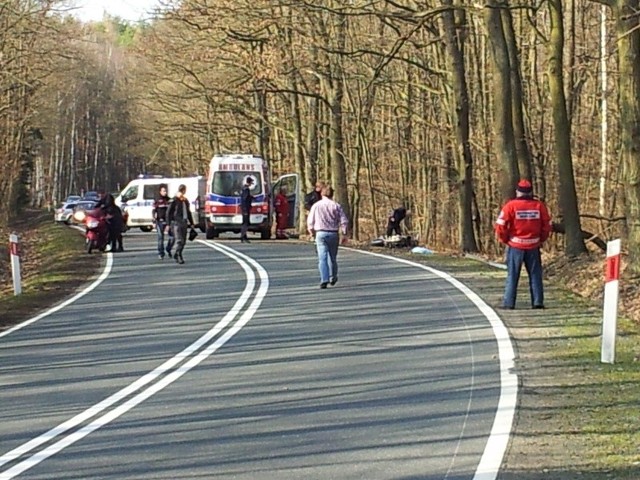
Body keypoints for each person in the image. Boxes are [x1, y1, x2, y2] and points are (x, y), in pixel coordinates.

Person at [494, 179, 552, 310]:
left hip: (515, 245)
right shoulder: (539, 206)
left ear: (517, 192)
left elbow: (500, 225)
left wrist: (504, 239)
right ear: (531, 192)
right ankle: (537, 301)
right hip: (533, 245)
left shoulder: (510, 206)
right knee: (535, 275)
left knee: (513, 275)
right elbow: (547, 226)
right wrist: (541, 239)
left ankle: (509, 303)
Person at [307, 185, 349, 289]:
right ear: (332, 194)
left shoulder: (316, 206)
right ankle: (333, 276)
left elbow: (310, 221)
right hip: (333, 233)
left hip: (320, 233)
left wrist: (311, 232)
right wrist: (344, 233)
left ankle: (324, 279)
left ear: (322, 194)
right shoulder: (336, 206)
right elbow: (343, 220)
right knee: (332, 258)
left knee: (322, 258)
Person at [167, 184, 195, 264]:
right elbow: (169, 212)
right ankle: (179, 255)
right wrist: (168, 223)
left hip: (184, 222)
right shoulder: (175, 200)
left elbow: (188, 212)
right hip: (176, 222)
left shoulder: (185, 200)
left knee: (184, 241)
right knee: (179, 240)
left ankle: (177, 253)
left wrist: (192, 222)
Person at [152, 184, 174, 259]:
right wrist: (154, 222)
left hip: (168, 222)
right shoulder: (157, 200)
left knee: (172, 237)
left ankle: (168, 248)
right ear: (160, 191)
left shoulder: (169, 200)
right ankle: (161, 253)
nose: (165, 192)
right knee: (160, 237)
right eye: (164, 191)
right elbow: (153, 211)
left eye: (166, 191)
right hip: (160, 221)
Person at [240, 176, 254, 243]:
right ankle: (243, 236)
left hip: (244, 208)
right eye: (251, 182)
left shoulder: (244, 188)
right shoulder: (246, 189)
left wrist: (251, 197)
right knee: (246, 223)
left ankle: (244, 236)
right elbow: (244, 199)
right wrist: (245, 209)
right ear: (250, 182)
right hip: (245, 208)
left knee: (245, 223)